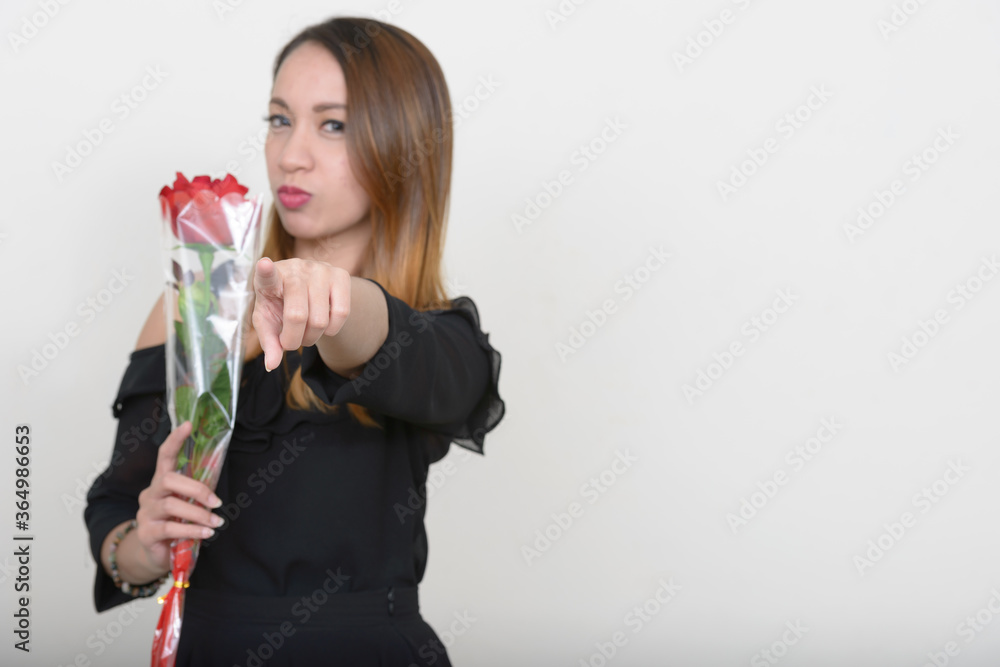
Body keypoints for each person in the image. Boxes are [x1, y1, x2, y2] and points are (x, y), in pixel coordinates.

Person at [83, 16, 505, 666]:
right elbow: (116, 507)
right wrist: (145, 547)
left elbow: (377, 337)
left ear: (402, 145)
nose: (289, 154)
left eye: (332, 125)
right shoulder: (194, 310)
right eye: (280, 119)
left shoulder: (442, 342)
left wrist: (337, 299)